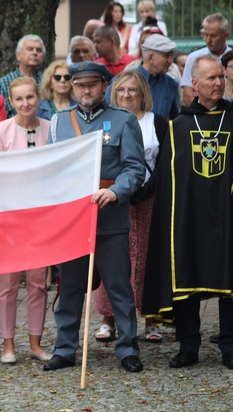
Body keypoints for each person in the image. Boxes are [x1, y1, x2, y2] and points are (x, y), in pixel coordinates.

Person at [143, 55, 233, 371]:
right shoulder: (177, 127)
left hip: (229, 218)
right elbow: (164, 178)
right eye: (210, 78)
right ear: (195, 84)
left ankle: (230, 348)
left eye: (220, 77)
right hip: (188, 220)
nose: (217, 83)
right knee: (183, 275)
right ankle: (189, 346)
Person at [44, 61, 145, 373]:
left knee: (118, 287)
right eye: (79, 85)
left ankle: (127, 348)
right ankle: (64, 349)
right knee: (70, 287)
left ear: (104, 86)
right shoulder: (59, 123)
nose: (85, 90)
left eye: (92, 84)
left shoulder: (123, 121)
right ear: (71, 87)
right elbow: (50, 167)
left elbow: (135, 168)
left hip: (109, 216)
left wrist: (116, 192)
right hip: (71, 220)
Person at [94, 70, 168, 344]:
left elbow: (163, 163)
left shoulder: (156, 122)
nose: (126, 95)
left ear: (142, 94)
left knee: (148, 259)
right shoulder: (108, 121)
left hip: (148, 200)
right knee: (115, 261)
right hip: (115, 199)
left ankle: (151, 320)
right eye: (122, 90)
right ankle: (108, 318)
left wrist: (147, 188)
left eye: (132, 90)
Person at [0, 77, 52, 363]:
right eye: (19, 99)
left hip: (41, 216)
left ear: (38, 97)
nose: (25, 103)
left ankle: (36, 343)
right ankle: (8, 345)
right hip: (10, 216)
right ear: (11, 102)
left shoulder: (51, 129)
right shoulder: (0, 130)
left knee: (38, 282)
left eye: (30, 97)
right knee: (8, 283)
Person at [106, 34, 180, 120]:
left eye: (171, 56)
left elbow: (174, 119)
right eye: (166, 56)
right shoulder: (120, 82)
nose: (171, 61)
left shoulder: (171, 84)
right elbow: (107, 113)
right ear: (150, 57)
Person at [181, 13, 231, 106]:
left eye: (213, 36)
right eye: (205, 35)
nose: (208, 40)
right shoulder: (193, 58)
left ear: (226, 35)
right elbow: (187, 95)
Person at [0, 35, 45, 118]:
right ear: (18, 55)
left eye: (38, 50)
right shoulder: (3, 83)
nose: (35, 53)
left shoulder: (47, 81)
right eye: (30, 49)